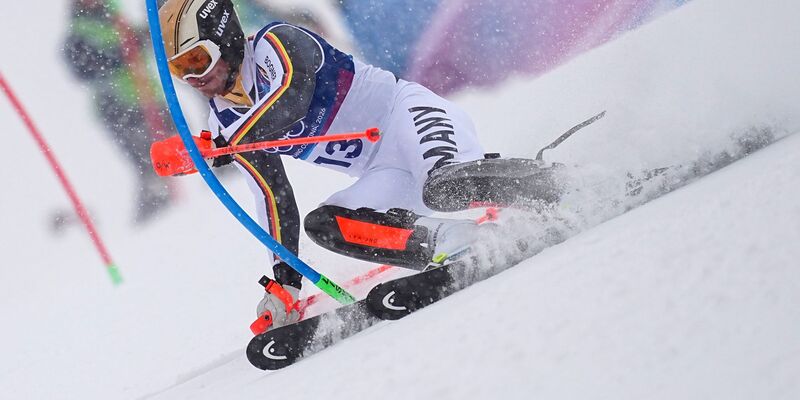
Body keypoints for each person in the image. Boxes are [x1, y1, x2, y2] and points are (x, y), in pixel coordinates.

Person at [155, 0, 557, 329]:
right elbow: (272, 196)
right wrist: (285, 282)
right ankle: (457, 243)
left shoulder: (276, 44)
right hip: (385, 174)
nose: (192, 77)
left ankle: (554, 185)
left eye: (196, 60)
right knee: (326, 225)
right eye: (179, 69)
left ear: (224, 39)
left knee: (443, 185)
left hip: (411, 119)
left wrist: (228, 144)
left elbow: (293, 96)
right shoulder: (224, 122)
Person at [64, 0, 175, 224]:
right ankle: (156, 217)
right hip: (119, 108)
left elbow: (143, 40)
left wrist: (142, 38)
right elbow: (82, 67)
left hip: (151, 98)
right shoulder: (80, 30)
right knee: (149, 163)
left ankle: (187, 205)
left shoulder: (114, 15)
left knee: (182, 146)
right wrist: (119, 54)